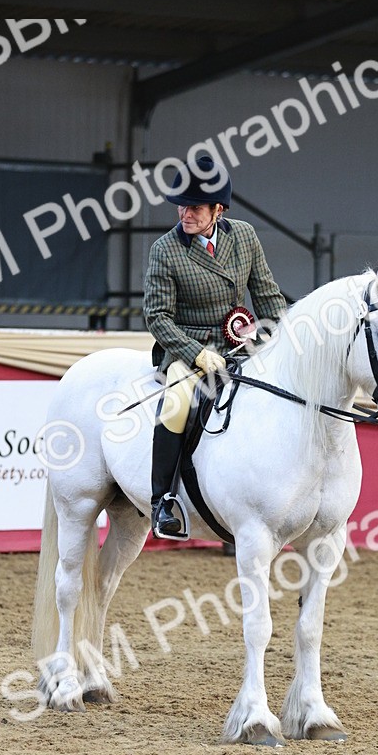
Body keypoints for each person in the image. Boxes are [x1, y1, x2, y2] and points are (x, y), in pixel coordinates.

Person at [143, 154, 286, 539]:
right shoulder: (166, 250)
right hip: (187, 349)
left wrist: (283, 340)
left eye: (194, 207)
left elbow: (268, 296)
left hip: (238, 344)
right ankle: (163, 502)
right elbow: (157, 317)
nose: (184, 213)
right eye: (181, 205)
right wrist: (195, 353)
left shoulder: (244, 237)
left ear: (217, 209)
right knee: (176, 403)